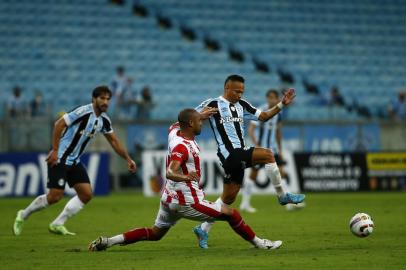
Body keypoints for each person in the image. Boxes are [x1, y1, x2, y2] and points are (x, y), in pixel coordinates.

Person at [88, 108, 282, 251]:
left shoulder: (175, 133)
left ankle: (108, 241)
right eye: (199, 121)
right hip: (188, 201)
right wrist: (186, 176)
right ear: (190, 124)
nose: (202, 123)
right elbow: (170, 172)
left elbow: (175, 123)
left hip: (169, 198)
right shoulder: (182, 147)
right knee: (232, 214)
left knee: (155, 234)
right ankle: (260, 244)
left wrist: (200, 113)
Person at [193, 74, 305, 249]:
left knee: (227, 199)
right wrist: (200, 115)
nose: (240, 94)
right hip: (229, 154)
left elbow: (265, 116)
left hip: (238, 154)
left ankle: (203, 229)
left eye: (242, 91)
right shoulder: (213, 104)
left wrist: (283, 103)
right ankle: (282, 195)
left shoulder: (242, 105)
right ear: (227, 88)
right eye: (237, 91)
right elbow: (187, 118)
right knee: (268, 154)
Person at [13, 86, 137, 236]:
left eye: (108, 99)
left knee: (86, 194)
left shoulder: (104, 120)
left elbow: (114, 141)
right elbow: (59, 124)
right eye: (102, 98)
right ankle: (23, 215)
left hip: (74, 161)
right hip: (60, 158)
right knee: (54, 197)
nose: (105, 102)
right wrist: (55, 150)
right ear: (94, 99)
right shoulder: (83, 112)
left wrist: (128, 159)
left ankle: (57, 223)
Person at [241, 89, 305, 213]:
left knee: (282, 172)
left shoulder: (278, 113)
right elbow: (251, 129)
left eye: (273, 98)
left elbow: (277, 132)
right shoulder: (261, 110)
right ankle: (245, 203)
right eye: (269, 97)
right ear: (267, 98)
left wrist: (280, 149)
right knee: (253, 175)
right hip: (262, 149)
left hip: (273, 149)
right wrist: (256, 145)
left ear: (277, 99)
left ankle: (289, 203)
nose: (271, 100)